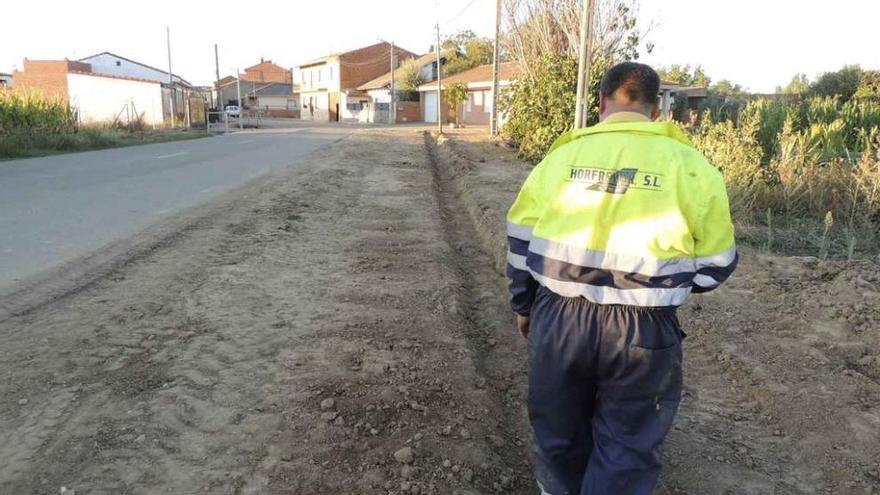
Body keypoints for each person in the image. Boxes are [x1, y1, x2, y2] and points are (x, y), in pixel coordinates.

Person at [506, 62, 737, 495]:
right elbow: (717, 263)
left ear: (600, 104)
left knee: (559, 433)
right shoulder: (691, 166)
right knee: (627, 446)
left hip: (559, 317)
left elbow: (520, 241)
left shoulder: (561, 159)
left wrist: (524, 304)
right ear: (656, 111)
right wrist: (667, 287)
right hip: (645, 329)